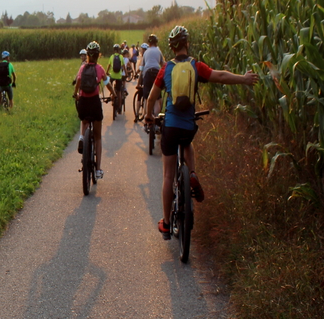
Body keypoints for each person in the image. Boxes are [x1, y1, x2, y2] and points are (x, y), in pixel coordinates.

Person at [145, 26, 258, 240]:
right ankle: (193, 174)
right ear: (187, 43)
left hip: (169, 126)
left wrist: (147, 115)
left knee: (168, 175)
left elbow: (152, 97)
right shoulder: (196, 66)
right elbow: (221, 76)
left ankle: (167, 224)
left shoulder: (166, 69)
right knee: (188, 143)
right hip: (187, 127)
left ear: (171, 47)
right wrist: (243, 78)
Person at [73, 41, 114, 180]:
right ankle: (98, 170)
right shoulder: (100, 69)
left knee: (84, 121)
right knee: (97, 137)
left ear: (88, 56)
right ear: (98, 55)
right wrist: (113, 94)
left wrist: (76, 94)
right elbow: (107, 83)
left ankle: (81, 137)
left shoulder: (83, 68)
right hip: (95, 103)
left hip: (84, 102)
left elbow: (78, 82)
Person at [139, 34, 165, 125]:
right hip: (156, 73)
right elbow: (163, 65)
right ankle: (156, 121)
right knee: (157, 99)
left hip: (147, 74)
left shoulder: (146, 52)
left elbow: (141, 69)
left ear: (149, 43)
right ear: (156, 43)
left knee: (146, 97)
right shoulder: (158, 51)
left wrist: (139, 81)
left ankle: (147, 119)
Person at [105, 44, 126, 110]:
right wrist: (126, 74)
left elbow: (108, 66)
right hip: (119, 76)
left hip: (112, 76)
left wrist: (107, 72)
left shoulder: (112, 57)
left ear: (114, 50)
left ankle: (112, 97)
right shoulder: (121, 57)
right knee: (119, 91)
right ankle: (119, 106)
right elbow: (124, 67)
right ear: (119, 50)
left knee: (111, 88)